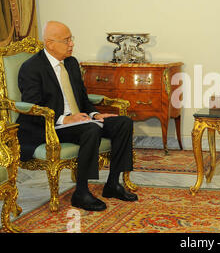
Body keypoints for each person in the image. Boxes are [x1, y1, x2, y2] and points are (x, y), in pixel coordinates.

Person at [17, 21, 138, 212]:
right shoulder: (31, 68)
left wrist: (95, 114)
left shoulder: (71, 63)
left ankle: (113, 184)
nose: (71, 44)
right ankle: (81, 192)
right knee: (90, 130)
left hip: (79, 120)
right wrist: (64, 119)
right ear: (50, 44)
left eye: (71, 38)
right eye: (66, 40)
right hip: (49, 126)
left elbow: (82, 97)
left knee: (123, 122)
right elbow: (33, 107)